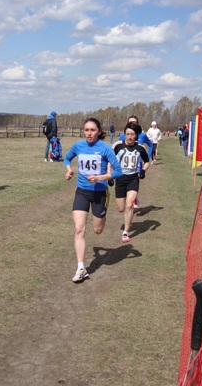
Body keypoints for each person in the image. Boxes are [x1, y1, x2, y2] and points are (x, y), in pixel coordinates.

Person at [64, 118, 123, 283]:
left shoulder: (105, 148)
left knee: (97, 230)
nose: (89, 133)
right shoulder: (78, 146)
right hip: (81, 192)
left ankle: (102, 216)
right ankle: (81, 268)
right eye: (86, 130)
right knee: (78, 229)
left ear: (99, 131)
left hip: (100, 193)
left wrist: (100, 177)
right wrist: (69, 171)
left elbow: (118, 172)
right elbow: (67, 159)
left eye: (92, 130)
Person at [113, 122, 150, 243]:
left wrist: (143, 170)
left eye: (132, 134)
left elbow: (146, 162)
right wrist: (109, 176)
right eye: (127, 134)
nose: (129, 137)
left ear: (136, 136)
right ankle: (130, 200)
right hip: (120, 178)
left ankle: (126, 232)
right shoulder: (118, 146)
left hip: (133, 178)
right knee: (120, 208)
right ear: (124, 134)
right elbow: (109, 161)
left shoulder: (140, 148)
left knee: (129, 205)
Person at [118, 115, 153, 209]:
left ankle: (133, 198)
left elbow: (151, 145)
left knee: (133, 183)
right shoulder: (123, 135)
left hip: (138, 163)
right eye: (130, 123)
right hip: (124, 165)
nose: (132, 124)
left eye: (134, 122)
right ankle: (129, 198)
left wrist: (147, 157)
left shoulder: (143, 135)